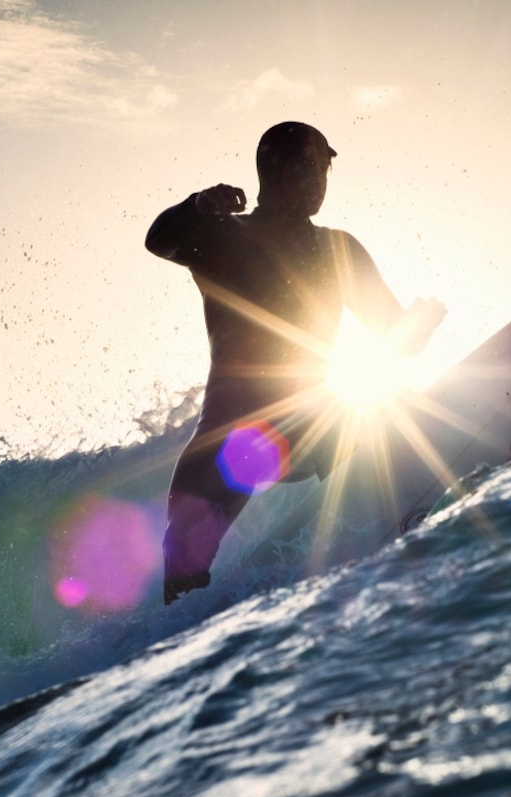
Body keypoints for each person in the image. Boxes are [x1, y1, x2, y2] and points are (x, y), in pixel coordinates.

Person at [146, 121, 446, 604]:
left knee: (387, 417)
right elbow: (160, 239)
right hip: (232, 433)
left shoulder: (339, 249)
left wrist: (421, 324)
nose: (318, 180)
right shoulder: (224, 236)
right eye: (307, 167)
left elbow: (394, 339)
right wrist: (197, 205)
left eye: (324, 168)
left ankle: (404, 507)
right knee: (181, 567)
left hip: (315, 420)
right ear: (276, 171)